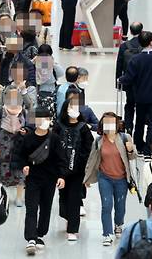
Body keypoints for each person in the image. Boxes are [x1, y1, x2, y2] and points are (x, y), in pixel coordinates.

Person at [19, 109, 67, 255]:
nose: (43, 121)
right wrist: (24, 166)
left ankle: (40, 234)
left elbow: (61, 159)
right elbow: (21, 156)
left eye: (46, 118)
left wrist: (61, 176)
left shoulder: (54, 139)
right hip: (33, 179)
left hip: (50, 179)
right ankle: (31, 238)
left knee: (46, 208)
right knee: (31, 208)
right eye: (40, 118)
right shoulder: (28, 138)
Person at [84, 113, 136, 246]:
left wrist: (130, 150)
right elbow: (92, 159)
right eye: (106, 122)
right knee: (106, 206)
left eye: (112, 122)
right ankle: (107, 234)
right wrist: (87, 178)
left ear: (117, 124)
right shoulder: (99, 141)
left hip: (122, 179)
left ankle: (118, 224)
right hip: (104, 178)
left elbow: (132, 157)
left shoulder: (125, 138)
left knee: (120, 206)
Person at [118, 31, 152, 157]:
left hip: (140, 96)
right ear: (151, 42)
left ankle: (138, 145)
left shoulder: (135, 59)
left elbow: (129, 77)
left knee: (139, 121)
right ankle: (148, 148)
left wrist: (120, 79)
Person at [55, 96, 94, 241]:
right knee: (63, 197)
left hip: (78, 170)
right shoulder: (59, 126)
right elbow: (53, 145)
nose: (74, 110)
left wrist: (84, 167)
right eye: (71, 107)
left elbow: (88, 148)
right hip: (61, 170)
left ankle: (73, 229)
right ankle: (67, 217)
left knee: (74, 197)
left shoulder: (83, 127)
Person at [0, 85, 28, 206]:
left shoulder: (23, 111)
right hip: (4, 145)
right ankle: (4, 196)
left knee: (20, 171)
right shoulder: (0, 111)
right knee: (3, 171)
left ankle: (19, 197)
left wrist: (25, 131)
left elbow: (28, 127)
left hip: (19, 145)